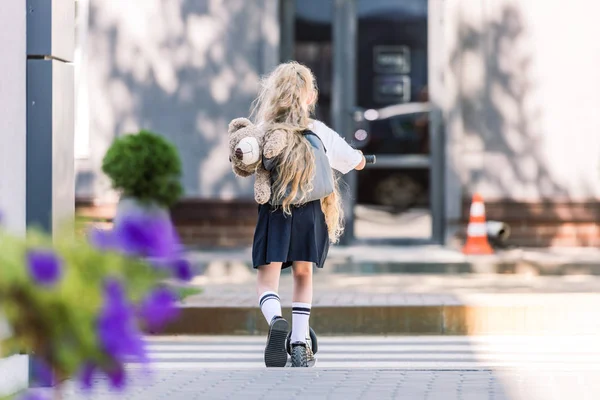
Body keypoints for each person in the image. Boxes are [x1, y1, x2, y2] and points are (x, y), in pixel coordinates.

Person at [249, 61, 366, 368]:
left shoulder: (264, 131)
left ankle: (276, 320)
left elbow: (245, 160)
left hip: (275, 212)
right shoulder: (319, 131)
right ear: (310, 97)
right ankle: (300, 344)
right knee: (303, 275)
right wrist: (361, 159)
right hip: (310, 215)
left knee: (267, 280)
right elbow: (353, 160)